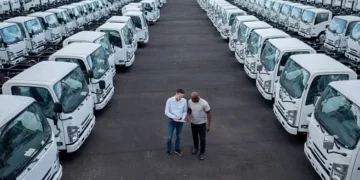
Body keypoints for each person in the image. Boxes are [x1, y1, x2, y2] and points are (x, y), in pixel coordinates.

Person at [187, 92, 211, 160]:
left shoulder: (204, 103)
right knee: (194, 137)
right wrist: (188, 115)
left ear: (197, 98)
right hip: (193, 123)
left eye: (193, 99)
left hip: (202, 124)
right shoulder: (190, 101)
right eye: (191, 99)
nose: (191, 101)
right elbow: (189, 109)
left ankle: (202, 152)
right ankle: (196, 147)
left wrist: (208, 125)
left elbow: (209, 113)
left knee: (202, 139)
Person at [164, 89, 187, 158]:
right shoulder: (169, 100)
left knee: (179, 136)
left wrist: (182, 118)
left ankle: (177, 149)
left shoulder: (184, 100)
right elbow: (166, 112)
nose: (181, 98)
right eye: (180, 97)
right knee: (169, 137)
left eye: (182, 97)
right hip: (172, 120)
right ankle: (168, 150)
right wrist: (174, 117)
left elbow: (185, 111)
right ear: (176, 94)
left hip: (180, 121)